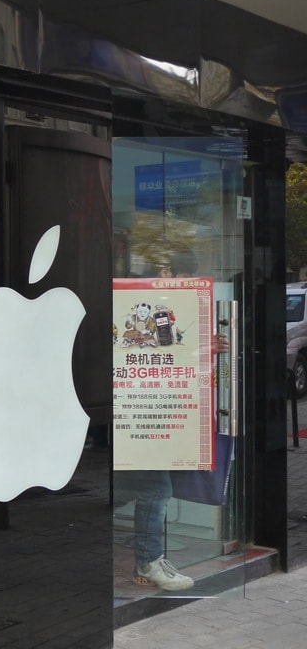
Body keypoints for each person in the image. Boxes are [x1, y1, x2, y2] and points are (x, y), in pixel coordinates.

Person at [121, 249, 225, 591]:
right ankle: (149, 562)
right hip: (143, 409)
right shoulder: (143, 305)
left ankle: (148, 561)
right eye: (178, 273)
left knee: (156, 488)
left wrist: (205, 347)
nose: (181, 280)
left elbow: (169, 354)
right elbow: (142, 354)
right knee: (155, 489)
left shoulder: (171, 310)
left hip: (161, 406)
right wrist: (201, 346)